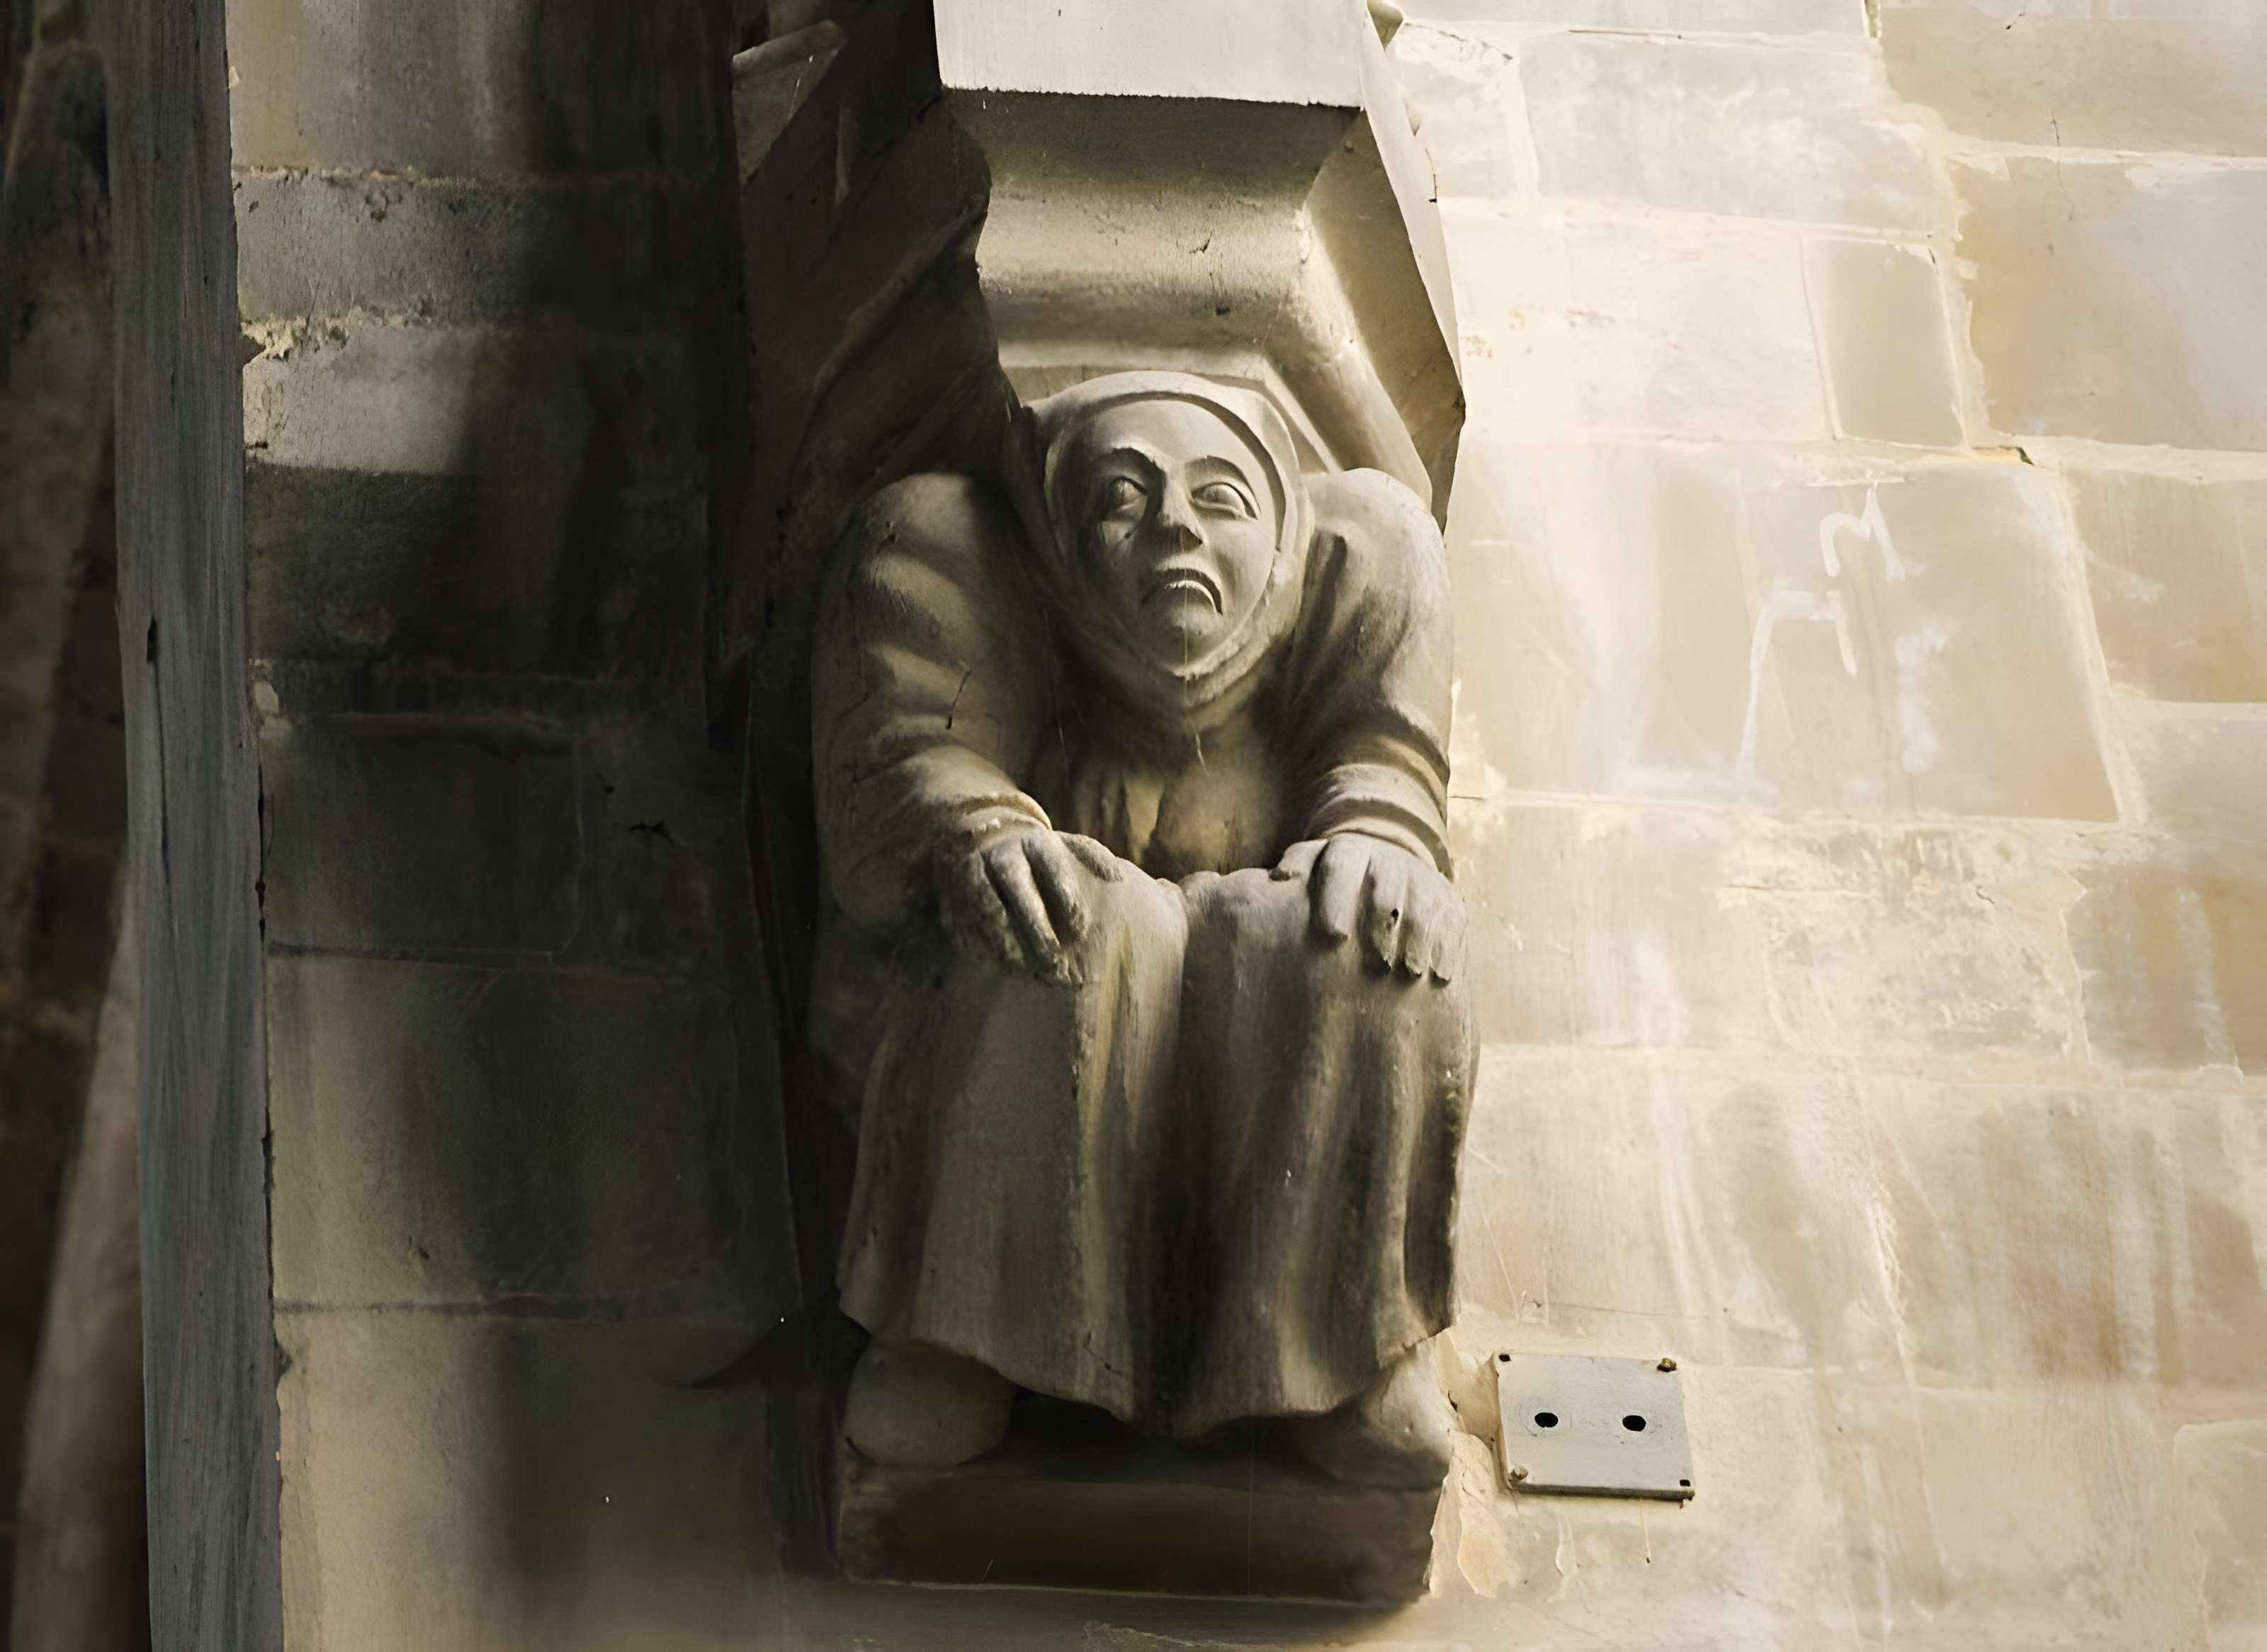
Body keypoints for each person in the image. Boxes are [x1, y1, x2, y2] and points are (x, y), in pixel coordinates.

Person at [808, 371, 1473, 1488]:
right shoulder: (954, 556)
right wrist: (976, 830)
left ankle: (1343, 1351)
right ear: (1057, 540)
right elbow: (904, 773)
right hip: (1027, 972)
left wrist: (1380, 831)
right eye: (1123, 496)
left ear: (1285, 534)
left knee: (1357, 935)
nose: (1175, 526)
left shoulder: (1361, 560)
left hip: (1258, 971)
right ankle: (961, 1335)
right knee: (1059, 921)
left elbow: (1383, 762)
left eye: (1220, 498)